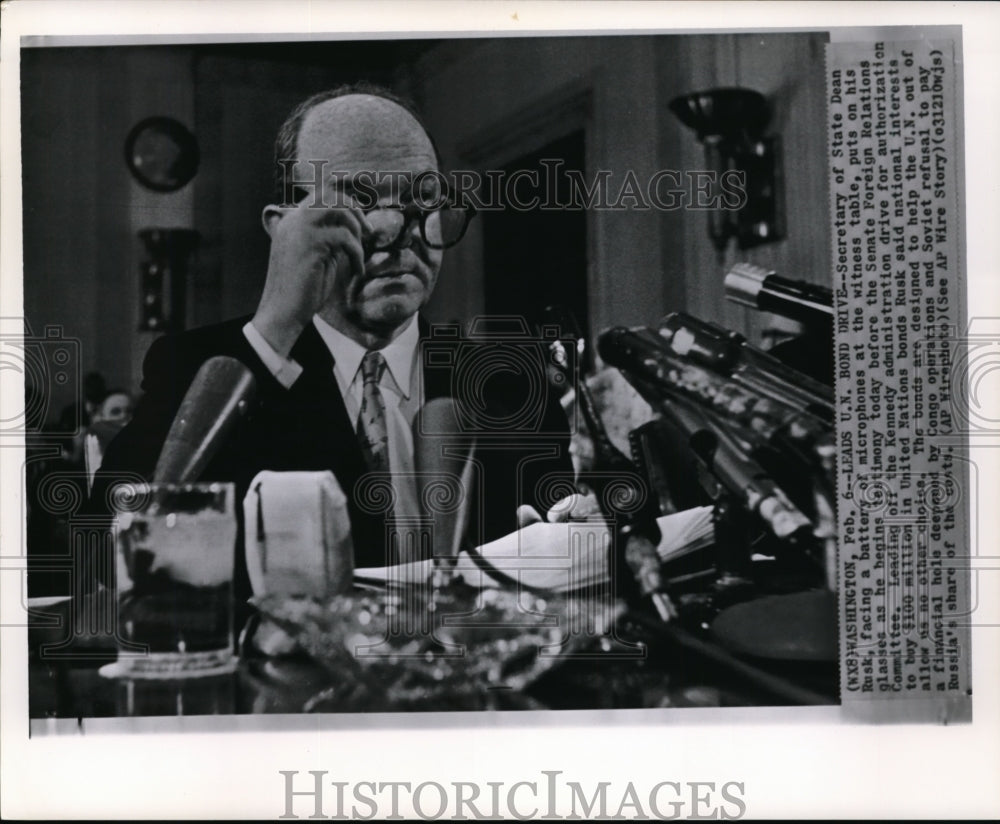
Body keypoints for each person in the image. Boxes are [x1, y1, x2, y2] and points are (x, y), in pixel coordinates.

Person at [89, 85, 583, 600]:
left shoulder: (508, 377)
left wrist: (572, 536)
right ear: (284, 229)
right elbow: (111, 548)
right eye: (356, 204)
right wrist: (273, 330)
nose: (398, 235)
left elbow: (561, 542)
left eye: (422, 199)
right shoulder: (203, 366)